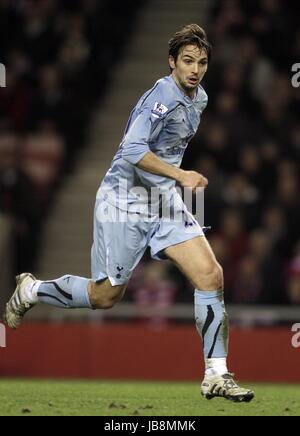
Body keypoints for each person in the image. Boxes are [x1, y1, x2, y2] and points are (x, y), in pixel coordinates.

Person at [4, 24, 254, 402]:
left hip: (163, 201)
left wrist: (171, 182)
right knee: (105, 296)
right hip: (124, 203)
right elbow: (132, 150)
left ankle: (216, 375)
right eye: (187, 61)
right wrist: (179, 174)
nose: (195, 69)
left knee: (210, 275)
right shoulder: (162, 97)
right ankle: (32, 289)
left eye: (202, 62)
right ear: (171, 62)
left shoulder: (199, 98)